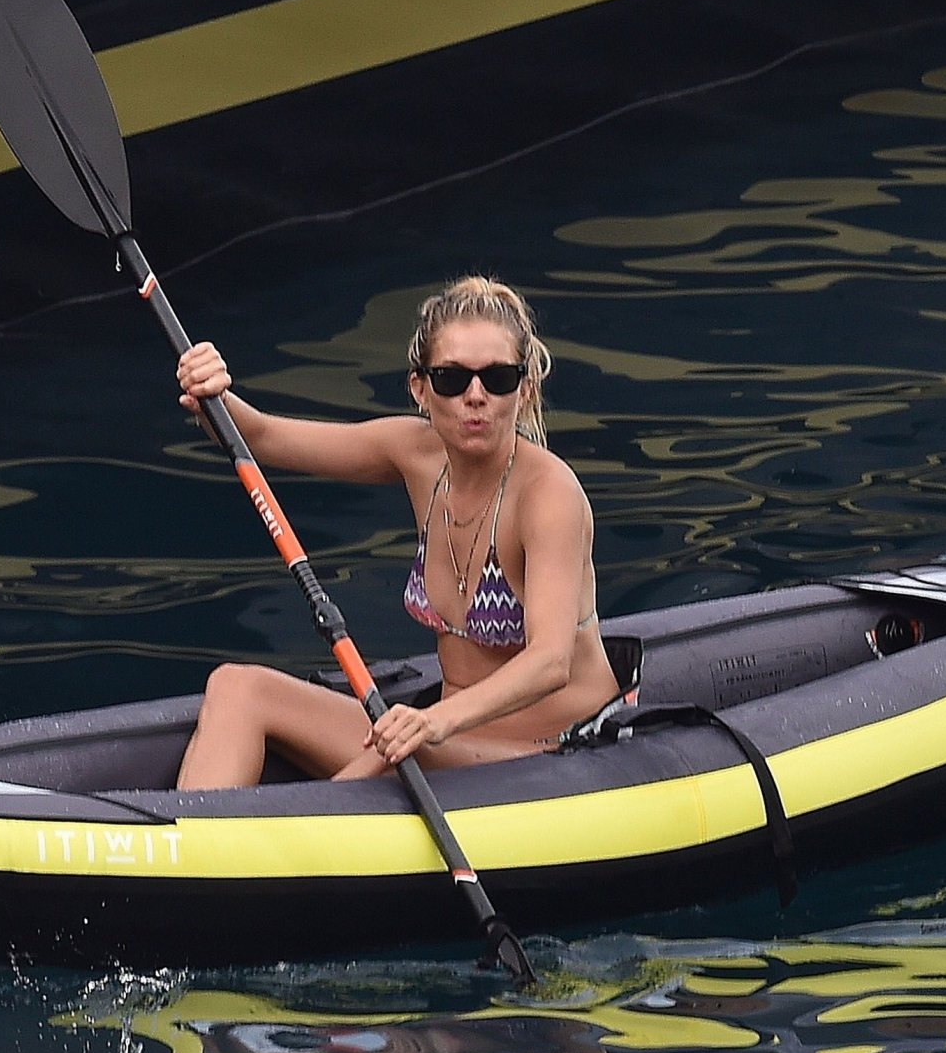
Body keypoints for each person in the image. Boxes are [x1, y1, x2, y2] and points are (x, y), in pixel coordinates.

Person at [173, 276, 621, 789]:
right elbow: (260, 436)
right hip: (447, 741)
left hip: (549, 754)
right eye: (451, 379)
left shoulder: (548, 493)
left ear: (525, 389)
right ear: (420, 389)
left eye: (498, 378)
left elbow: (550, 661)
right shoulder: (414, 453)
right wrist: (212, 394)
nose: (475, 396)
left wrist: (432, 722)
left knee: (378, 760)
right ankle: (192, 834)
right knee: (237, 688)